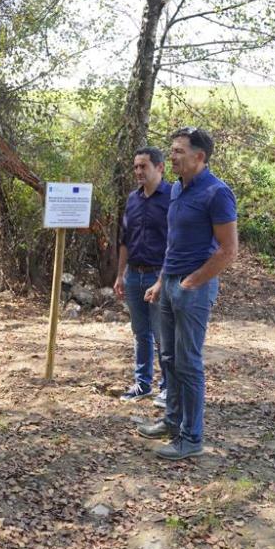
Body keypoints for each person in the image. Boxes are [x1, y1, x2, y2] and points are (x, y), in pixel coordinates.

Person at [137, 128, 238, 460]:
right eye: (172, 150)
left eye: (179, 151)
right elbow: (174, 245)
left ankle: (191, 437)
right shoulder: (178, 189)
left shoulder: (217, 193)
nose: (173, 156)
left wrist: (193, 282)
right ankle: (173, 421)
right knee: (168, 359)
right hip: (168, 283)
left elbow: (228, 250)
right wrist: (161, 281)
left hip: (193, 287)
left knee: (188, 362)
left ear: (200, 156)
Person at [114, 147, 171, 407]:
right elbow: (124, 240)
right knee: (140, 333)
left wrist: (164, 278)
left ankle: (169, 387)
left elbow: (176, 241)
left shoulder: (173, 197)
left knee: (163, 334)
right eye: (136, 166)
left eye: (143, 166)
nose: (138, 171)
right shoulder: (132, 199)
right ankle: (142, 383)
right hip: (133, 275)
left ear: (159, 167)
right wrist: (119, 275)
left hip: (160, 275)